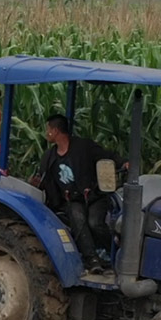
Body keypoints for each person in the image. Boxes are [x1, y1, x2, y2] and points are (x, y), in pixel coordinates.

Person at [35, 113, 126, 273]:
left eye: (48, 129)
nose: (46, 133)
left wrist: (123, 163)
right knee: (78, 219)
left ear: (56, 131)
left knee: (94, 223)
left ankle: (116, 251)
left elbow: (106, 156)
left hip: (94, 195)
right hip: (72, 200)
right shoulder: (49, 157)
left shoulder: (84, 147)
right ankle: (92, 259)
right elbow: (43, 178)